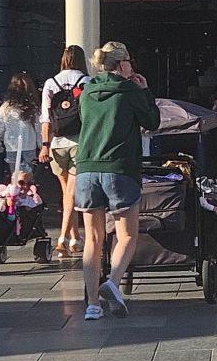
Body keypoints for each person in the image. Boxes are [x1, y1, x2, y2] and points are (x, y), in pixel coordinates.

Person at [75, 42, 160, 321]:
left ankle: (92, 306)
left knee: (93, 239)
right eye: (130, 62)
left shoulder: (87, 92)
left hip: (86, 169)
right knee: (127, 235)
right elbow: (152, 121)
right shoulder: (129, 90)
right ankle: (112, 282)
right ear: (122, 64)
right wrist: (144, 90)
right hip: (119, 168)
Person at [39, 46, 91, 259]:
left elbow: (45, 117)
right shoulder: (86, 82)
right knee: (71, 194)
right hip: (79, 142)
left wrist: (45, 144)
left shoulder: (51, 83)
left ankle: (75, 238)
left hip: (56, 144)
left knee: (66, 193)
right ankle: (62, 238)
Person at [0, 72, 42, 175]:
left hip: (12, 147)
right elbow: (39, 128)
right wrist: (42, 145)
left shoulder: (5, 107)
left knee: (14, 176)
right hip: (29, 146)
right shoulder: (34, 107)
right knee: (28, 177)